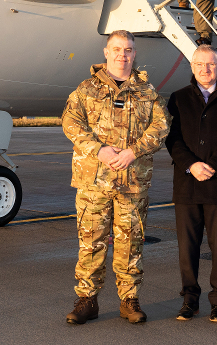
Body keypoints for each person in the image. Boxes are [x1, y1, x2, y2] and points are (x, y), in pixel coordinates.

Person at [62, 30, 171, 325]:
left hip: (131, 181)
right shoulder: (86, 89)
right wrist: (98, 150)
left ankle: (129, 300)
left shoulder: (147, 92)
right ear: (106, 52)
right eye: (117, 49)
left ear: (134, 54)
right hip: (93, 182)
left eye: (128, 50)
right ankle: (87, 300)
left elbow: (161, 127)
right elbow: (70, 122)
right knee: (91, 242)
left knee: (131, 243)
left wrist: (133, 152)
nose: (122, 55)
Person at [166, 45, 217, 323]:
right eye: (199, 64)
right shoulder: (177, 99)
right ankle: (190, 299)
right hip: (187, 183)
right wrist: (191, 164)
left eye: (211, 64)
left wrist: (213, 165)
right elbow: (172, 138)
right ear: (192, 67)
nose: (205, 69)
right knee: (187, 246)